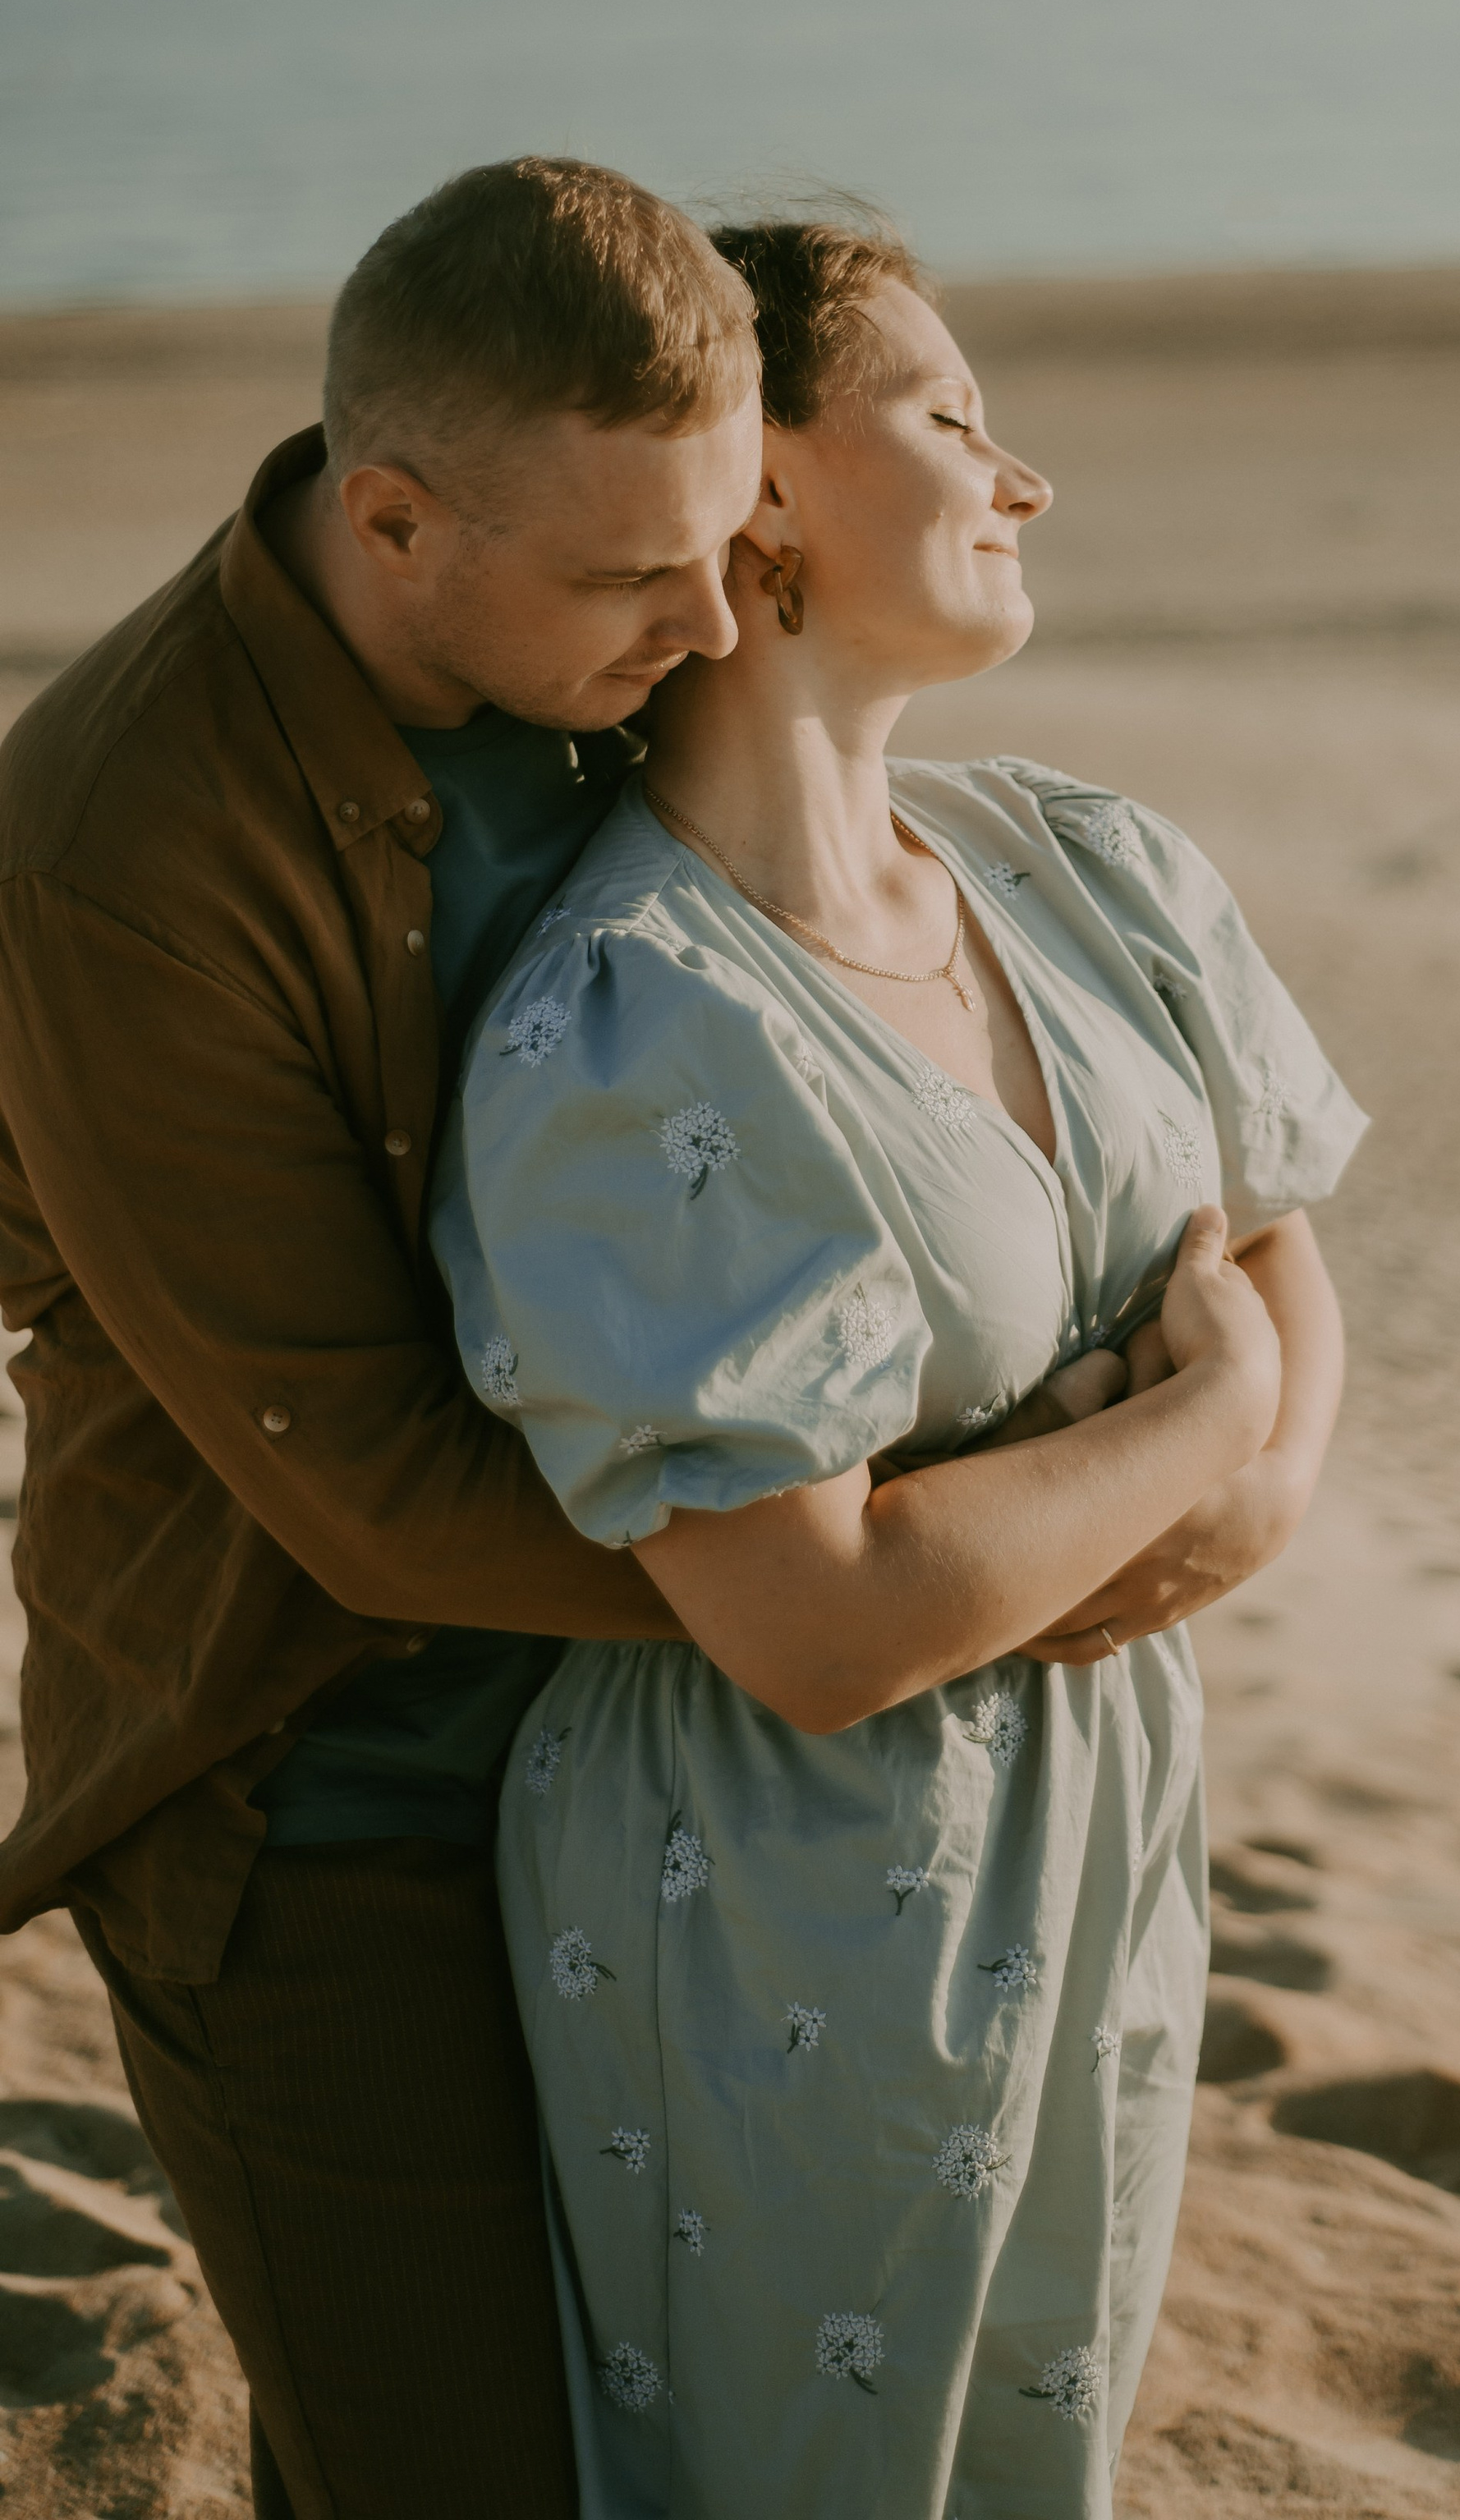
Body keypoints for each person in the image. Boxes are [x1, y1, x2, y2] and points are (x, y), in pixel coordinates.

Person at [432, 217, 1366, 2517]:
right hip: (782, 1893)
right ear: (757, 489)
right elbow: (819, 1627)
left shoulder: (1086, 864)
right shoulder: (634, 1024)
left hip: (1104, 1808)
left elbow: (1275, 1233)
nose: (1021, 476)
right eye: (951, 417)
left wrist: (1237, 1488)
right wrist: (1204, 1419)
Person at [0, 157, 773, 2517]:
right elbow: (367, 1499)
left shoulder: (630, 651)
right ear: (398, 519)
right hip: (306, 1798)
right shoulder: (124, 853)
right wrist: (897, 1585)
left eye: (729, 540)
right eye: (637, 576)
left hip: (634, 1741)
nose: (719, 624)